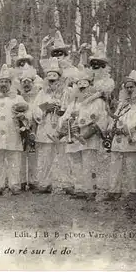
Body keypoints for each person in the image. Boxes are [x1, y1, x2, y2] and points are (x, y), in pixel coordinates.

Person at [59, 66, 109, 200]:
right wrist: (66, 123)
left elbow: (101, 117)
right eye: (79, 85)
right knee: (75, 163)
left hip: (89, 136)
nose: (82, 88)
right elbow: (64, 116)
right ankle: (79, 188)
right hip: (74, 137)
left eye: (84, 85)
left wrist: (84, 124)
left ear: (90, 85)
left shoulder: (98, 101)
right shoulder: (74, 102)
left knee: (88, 163)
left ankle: (90, 190)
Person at [103, 70, 136, 201]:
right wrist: (110, 127)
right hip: (117, 139)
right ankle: (114, 190)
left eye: (131, 87)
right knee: (114, 164)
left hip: (131, 139)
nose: (129, 89)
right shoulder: (122, 104)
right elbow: (115, 118)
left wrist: (125, 129)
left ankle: (133, 192)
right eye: (127, 87)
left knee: (132, 165)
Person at [0, 65, 28, 195]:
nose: (3, 84)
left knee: (14, 159)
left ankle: (14, 184)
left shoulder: (18, 98)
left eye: (6, 82)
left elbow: (28, 111)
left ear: (10, 83)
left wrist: (23, 116)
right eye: (1, 82)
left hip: (13, 133)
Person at [31, 58, 68, 194]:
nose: (52, 81)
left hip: (60, 128)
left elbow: (70, 108)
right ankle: (45, 183)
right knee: (46, 157)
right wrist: (45, 109)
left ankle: (67, 184)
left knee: (64, 156)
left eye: (55, 78)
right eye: (50, 78)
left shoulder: (66, 92)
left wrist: (62, 111)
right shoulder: (42, 93)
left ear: (59, 79)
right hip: (46, 127)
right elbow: (35, 109)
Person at [18, 66, 41, 190]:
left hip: (33, 129)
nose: (26, 85)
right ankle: (21, 181)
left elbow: (39, 113)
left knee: (33, 155)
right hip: (20, 130)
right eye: (24, 82)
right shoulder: (17, 97)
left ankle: (33, 180)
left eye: (28, 82)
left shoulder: (37, 97)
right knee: (21, 155)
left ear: (33, 83)